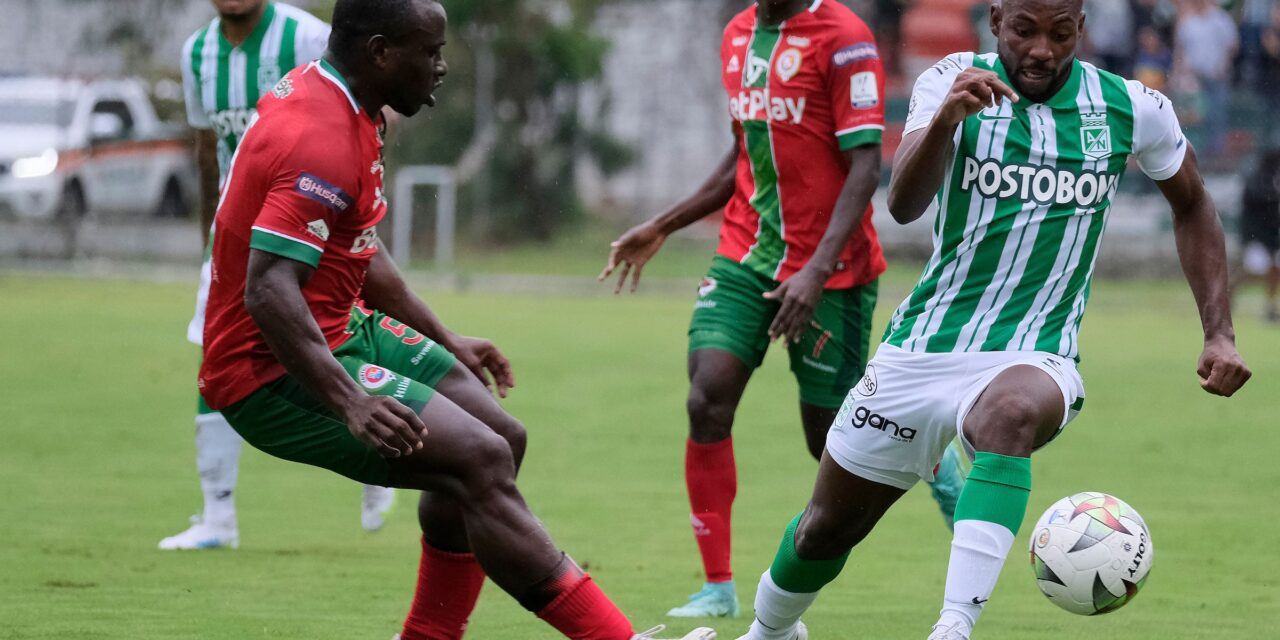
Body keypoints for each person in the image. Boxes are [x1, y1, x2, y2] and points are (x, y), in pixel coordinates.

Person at [730, 0, 1253, 636]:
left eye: (1061, 34)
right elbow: (903, 205)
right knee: (824, 529)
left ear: (1081, 30)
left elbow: (1194, 203)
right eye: (1025, 31)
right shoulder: (949, 79)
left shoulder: (1132, 107)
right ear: (997, 21)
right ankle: (770, 631)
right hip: (922, 347)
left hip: (1036, 353)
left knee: (1007, 416)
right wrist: (948, 118)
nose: (1042, 50)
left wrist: (1218, 331)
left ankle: (953, 626)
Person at [198, 1, 715, 639]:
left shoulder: (346, 102)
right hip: (267, 371)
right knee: (478, 458)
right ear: (382, 52)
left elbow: (356, 242)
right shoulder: (318, 136)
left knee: (503, 439)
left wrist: (444, 337)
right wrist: (351, 401)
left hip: (337, 331)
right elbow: (270, 291)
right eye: (431, 51)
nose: (442, 67)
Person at [599, 0, 968, 620]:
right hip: (746, 255)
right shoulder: (738, 34)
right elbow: (744, 155)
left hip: (834, 272)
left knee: (830, 439)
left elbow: (865, 167)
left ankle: (933, 457)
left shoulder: (845, 39)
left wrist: (815, 273)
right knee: (706, 396)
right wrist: (662, 225)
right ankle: (718, 587)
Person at [162, 0, 396, 551]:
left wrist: (363, 204)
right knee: (215, 352)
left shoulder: (307, 37)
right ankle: (217, 517)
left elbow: (363, 118)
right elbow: (206, 149)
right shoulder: (196, 53)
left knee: (336, 337)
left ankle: (377, 459)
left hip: (316, 230)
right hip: (238, 234)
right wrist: (208, 236)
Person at [1231, 149, 1280, 322]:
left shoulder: (1270, 179)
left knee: (1274, 270)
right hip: (1257, 234)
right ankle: (1230, 289)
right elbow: (1262, 201)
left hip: (1269, 235)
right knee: (1256, 269)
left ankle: (1271, 307)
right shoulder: (1258, 180)